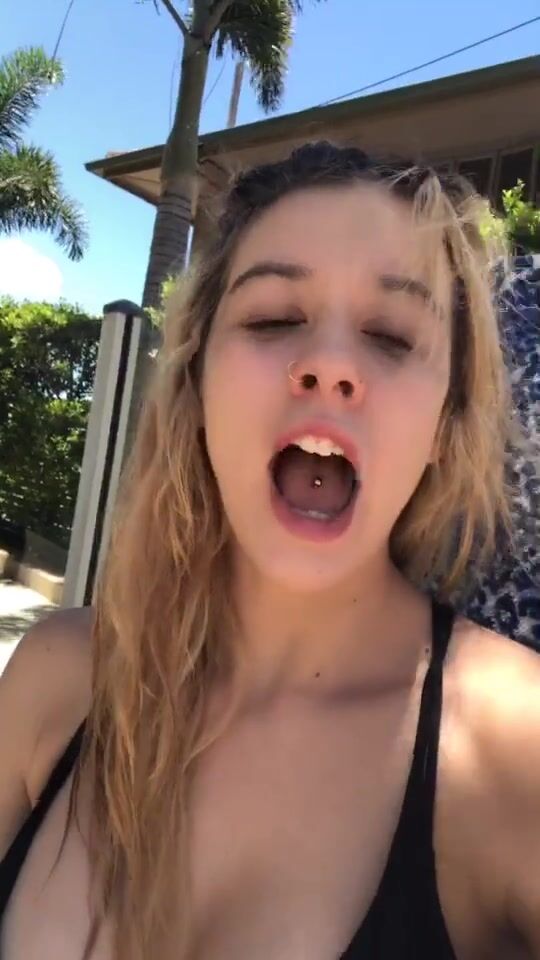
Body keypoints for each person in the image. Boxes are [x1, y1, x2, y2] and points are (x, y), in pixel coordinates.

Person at [1, 141, 540, 960]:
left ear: (445, 423)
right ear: (197, 381)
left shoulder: (515, 743)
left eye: (392, 335)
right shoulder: (57, 678)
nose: (328, 365)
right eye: (274, 319)